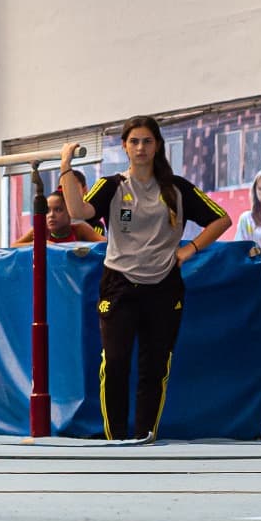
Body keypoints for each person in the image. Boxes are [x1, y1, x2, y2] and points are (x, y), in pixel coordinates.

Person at [59, 116, 231, 441]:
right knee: (116, 362)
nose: (141, 148)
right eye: (134, 142)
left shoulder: (178, 189)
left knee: (154, 367)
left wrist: (191, 248)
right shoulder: (112, 186)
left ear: (157, 146)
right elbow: (78, 212)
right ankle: (116, 438)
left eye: (147, 141)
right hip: (120, 285)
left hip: (163, 287)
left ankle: (144, 435)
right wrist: (66, 166)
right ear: (125, 147)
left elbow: (221, 219)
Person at [13, 191, 104, 246]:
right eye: (47, 210)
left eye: (58, 210)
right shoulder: (40, 230)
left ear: (69, 212)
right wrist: (38, 244)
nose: (51, 215)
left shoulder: (80, 229)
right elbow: (13, 246)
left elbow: (105, 245)